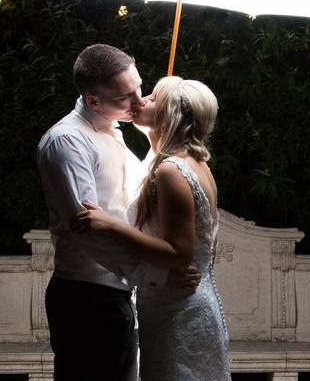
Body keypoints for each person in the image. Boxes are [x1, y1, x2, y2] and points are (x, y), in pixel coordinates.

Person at [37, 44, 194, 381]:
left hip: (119, 293)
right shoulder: (67, 142)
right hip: (87, 299)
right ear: (93, 101)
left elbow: (135, 202)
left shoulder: (113, 131)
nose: (139, 101)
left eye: (140, 87)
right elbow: (90, 231)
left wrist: (156, 138)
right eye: (126, 96)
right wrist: (158, 277)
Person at [73, 76, 231, 381]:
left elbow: (179, 254)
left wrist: (111, 226)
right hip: (177, 299)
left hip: (178, 308)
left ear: (171, 114)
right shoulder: (184, 163)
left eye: (155, 98)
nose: (142, 100)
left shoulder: (172, 171)